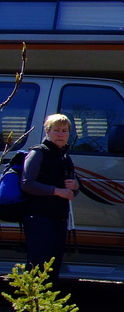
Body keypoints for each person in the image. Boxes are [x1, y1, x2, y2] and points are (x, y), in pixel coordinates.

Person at [21, 114, 80, 282]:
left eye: (64, 130)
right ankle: (31, 305)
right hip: (39, 218)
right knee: (38, 264)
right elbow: (27, 184)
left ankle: (49, 305)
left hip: (59, 219)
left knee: (53, 266)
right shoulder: (38, 153)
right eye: (56, 130)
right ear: (48, 131)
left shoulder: (65, 157)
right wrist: (56, 191)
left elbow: (74, 189)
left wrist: (75, 187)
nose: (61, 134)